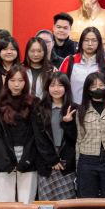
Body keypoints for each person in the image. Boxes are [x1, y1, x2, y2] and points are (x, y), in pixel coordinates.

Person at [0, 66, 39, 203]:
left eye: (20, 80)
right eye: (13, 80)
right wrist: (4, 162)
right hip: (3, 158)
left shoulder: (34, 103)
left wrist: (27, 159)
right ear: (6, 81)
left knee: (27, 203)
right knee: (5, 204)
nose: (16, 84)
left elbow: (36, 135)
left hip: (28, 156)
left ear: (26, 82)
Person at [75, 72, 105, 198]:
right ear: (88, 89)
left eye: (101, 85)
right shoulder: (81, 110)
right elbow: (79, 138)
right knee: (87, 200)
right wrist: (77, 165)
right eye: (93, 86)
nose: (98, 88)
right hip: (87, 159)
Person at [34, 73, 78, 201]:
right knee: (46, 206)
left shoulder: (74, 108)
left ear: (66, 87)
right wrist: (52, 160)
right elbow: (39, 138)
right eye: (52, 85)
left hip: (66, 163)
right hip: (46, 162)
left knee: (66, 205)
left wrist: (68, 123)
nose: (56, 89)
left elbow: (76, 138)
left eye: (60, 85)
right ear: (47, 88)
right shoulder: (40, 109)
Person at [59, 27, 105, 105]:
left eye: (94, 40)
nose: (90, 44)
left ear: (99, 43)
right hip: (73, 107)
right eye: (86, 40)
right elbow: (59, 85)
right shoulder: (69, 61)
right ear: (81, 42)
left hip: (98, 110)